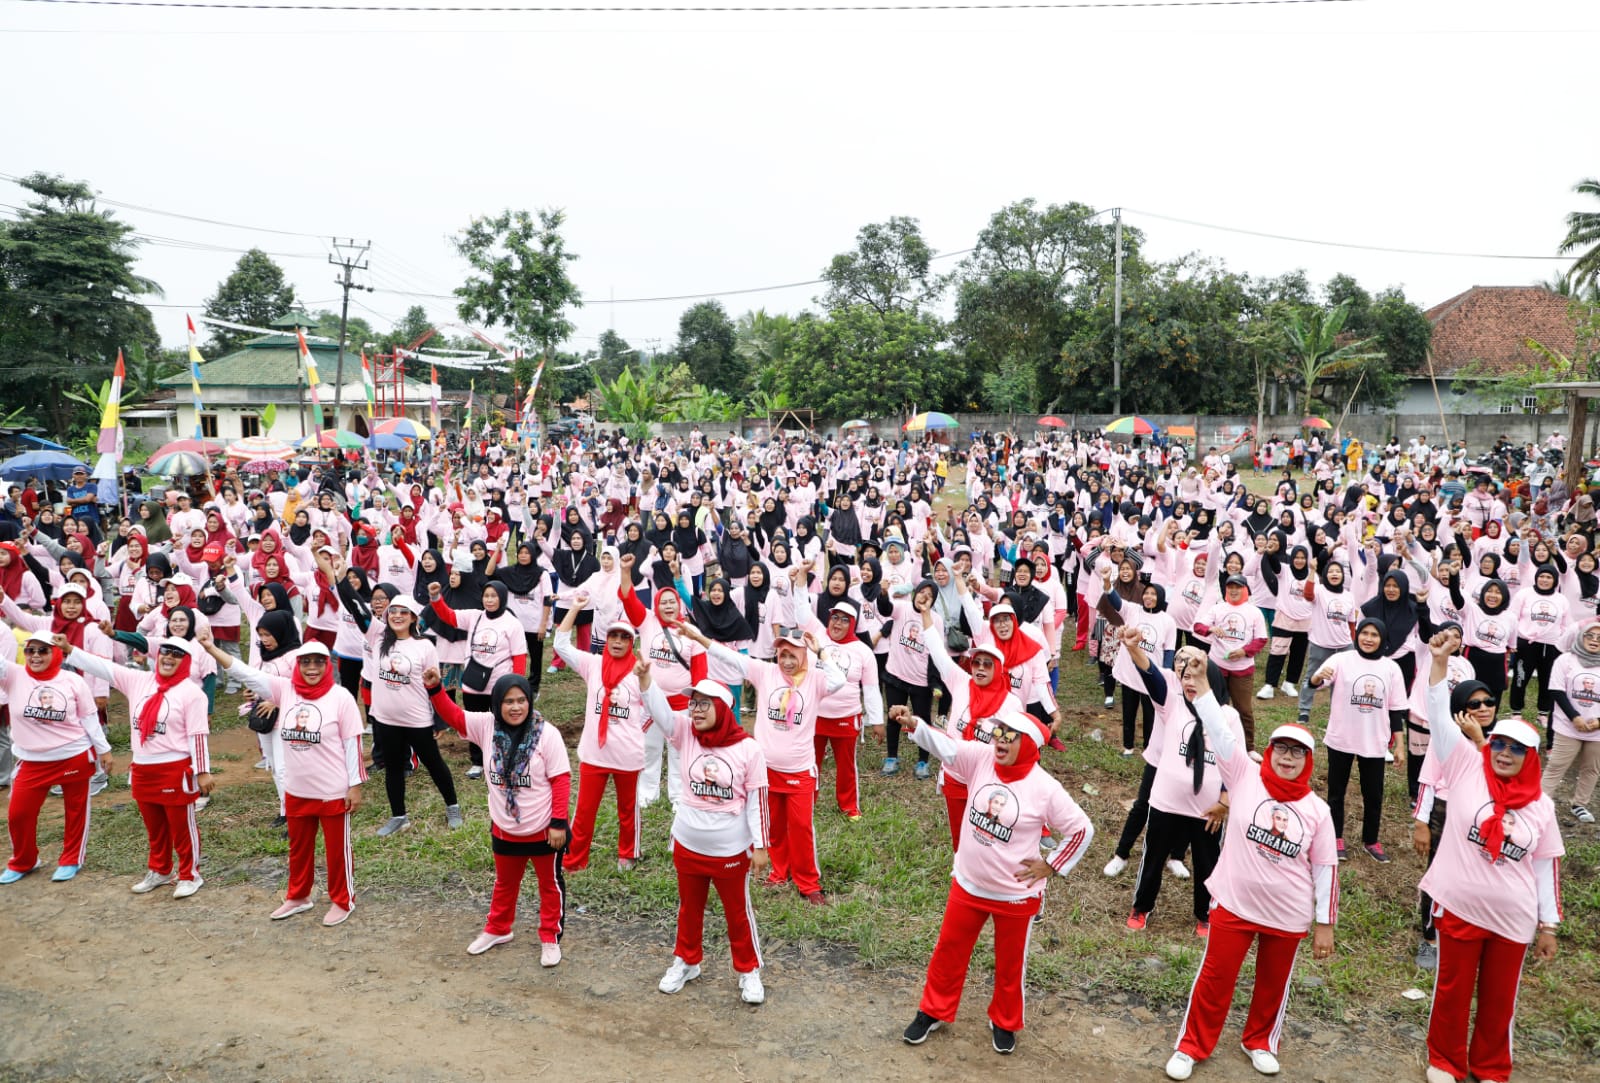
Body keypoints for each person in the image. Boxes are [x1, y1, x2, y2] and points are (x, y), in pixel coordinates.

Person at [1160, 653, 1337, 1080]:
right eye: (1282, 749)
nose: (1288, 758)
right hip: (1235, 904)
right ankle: (1191, 1045)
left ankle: (1260, 1040)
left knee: (1273, 986)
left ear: (1308, 762)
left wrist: (1324, 923)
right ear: (1270, 752)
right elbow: (1220, 732)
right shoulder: (1244, 774)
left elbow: (1326, 868)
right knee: (1215, 979)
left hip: (1287, 914)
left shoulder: (1317, 810)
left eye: (1298, 753)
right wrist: (1201, 682)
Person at [896, 707, 1094, 1056]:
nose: (999, 740)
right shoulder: (981, 757)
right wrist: (915, 725)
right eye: (997, 733)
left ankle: (1004, 1020)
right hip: (969, 884)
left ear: (1029, 744)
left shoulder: (1045, 788)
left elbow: (1081, 829)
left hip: (1015, 896)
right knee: (948, 950)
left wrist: (1051, 865)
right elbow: (949, 747)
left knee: (1010, 962)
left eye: (1009, 735)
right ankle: (933, 1010)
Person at [1417, 630, 1563, 1083]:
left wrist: (1548, 924)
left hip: (1512, 919)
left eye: (1516, 749)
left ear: (1531, 758)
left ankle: (1491, 1066)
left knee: (1500, 999)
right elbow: (1440, 718)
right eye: (1498, 743)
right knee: (1452, 990)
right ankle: (1444, 1060)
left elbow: (1545, 867)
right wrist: (1439, 662)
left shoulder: (1541, 806)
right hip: (1459, 907)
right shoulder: (1464, 765)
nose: (1503, 753)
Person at [201, 634, 367, 926]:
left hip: (332, 790)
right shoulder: (285, 689)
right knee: (298, 848)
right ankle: (299, 896)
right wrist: (211, 648)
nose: (312, 668)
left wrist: (355, 785)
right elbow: (245, 673)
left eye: (318, 662)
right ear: (297, 665)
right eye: (306, 662)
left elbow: (353, 743)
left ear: (328, 665)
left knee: (336, 852)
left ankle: (343, 900)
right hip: (297, 789)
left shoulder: (341, 698)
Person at [676, 619, 844, 905]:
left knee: (801, 828)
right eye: (783, 655)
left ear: (804, 656)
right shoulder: (765, 672)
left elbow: (839, 680)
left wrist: (822, 653)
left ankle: (808, 883)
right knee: (774, 826)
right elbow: (727, 655)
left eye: (793, 655)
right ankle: (779, 872)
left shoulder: (816, 679)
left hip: (800, 770)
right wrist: (699, 637)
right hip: (766, 769)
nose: (787, 661)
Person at [641, 668, 771, 1004]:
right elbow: (661, 713)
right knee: (689, 908)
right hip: (687, 843)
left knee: (737, 913)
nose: (695, 711)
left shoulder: (748, 749)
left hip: (729, 850)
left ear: (724, 709)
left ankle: (748, 970)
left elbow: (757, 801)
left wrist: (760, 846)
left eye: (703, 705)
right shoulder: (685, 733)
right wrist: (645, 682)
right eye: (693, 704)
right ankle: (686, 961)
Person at [426, 668, 571, 964]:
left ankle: (549, 937)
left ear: (529, 701)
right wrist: (435, 689)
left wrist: (558, 823)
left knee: (550, 885)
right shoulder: (486, 726)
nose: (515, 707)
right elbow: (454, 716)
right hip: (504, 829)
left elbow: (561, 779)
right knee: (504, 883)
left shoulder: (547, 734)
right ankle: (498, 929)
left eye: (521, 700)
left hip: (544, 830)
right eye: (507, 701)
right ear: (496, 704)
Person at [58, 633, 213, 898]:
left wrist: (203, 771)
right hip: (142, 768)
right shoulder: (139, 680)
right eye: (165, 651)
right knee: (154, 826)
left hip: (174, 768)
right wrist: (71, 649)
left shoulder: (192, 694)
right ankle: (161, 870)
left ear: (186, 661)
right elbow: (104, 667)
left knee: (181, 826)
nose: (168, 658)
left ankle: (190, 874)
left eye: (176, 654)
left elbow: (197, 735)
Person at [1120, 626, 1243, 936]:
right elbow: (1152, 677)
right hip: (1166, 802)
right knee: (1153, 858)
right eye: (1185, 677)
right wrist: (1135, 649)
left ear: (1212, 682)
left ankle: (1204, 913)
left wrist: (1225, 801)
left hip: (1208, 811)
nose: (1188, 682)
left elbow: (1236, 762)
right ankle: (1141, 907)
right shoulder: (1171, 706)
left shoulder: (1227, 717)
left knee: (1207, 863)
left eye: (1196, 677)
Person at [0, 630, 110, 883]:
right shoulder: (13, 675)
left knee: (75, 811)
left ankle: (72, 859)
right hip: (31, 760)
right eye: (30, 650)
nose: (35, 656)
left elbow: (89, 718)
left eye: (43, 650)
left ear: (55, 652)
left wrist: (103, 749)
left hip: (73, 755)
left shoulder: (72, 681)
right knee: (18, 814)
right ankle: (24, 861)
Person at [553, 597, 647, 872]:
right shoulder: (592, 664)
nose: (617, 642)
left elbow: (653, 709)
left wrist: (634, 732)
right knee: (584, 811)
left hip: (627, 756)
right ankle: (575, 859)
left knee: (628, 811)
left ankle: (628, 854)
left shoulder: (638, 672)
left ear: (632, 643)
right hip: (595, 752)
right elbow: (560, 645)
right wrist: (575, 608)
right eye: (613, 636)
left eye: (624, 638)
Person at [1307, 617, 1409, 862]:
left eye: (1375, 635)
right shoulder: (1342, 659)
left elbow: (1396, 710)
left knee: (1373, 794)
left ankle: (1371, 840)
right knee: (1336, 792)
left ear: (1382, 639)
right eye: (1365, 633)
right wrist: (1319, 676)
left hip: (1374, 741)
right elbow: (1315, 682)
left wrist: (1400, 745)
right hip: (1341, 737)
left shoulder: (1391, 668)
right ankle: (1335, 837)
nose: (1368, 639)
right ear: (1357, 635)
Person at [368, 596, 463, 837]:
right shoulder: (378, 639)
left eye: (403, 612)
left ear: (413, 618)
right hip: (386, 719)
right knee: (393, 767)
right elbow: (352, 604)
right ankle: (399, 816)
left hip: (417, 718)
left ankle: (453, 807)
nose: (397, 615)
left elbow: (434, 684)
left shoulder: (424, 646)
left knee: (433, 763)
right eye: (393, 611)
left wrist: (440, 719)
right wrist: (335, 575)